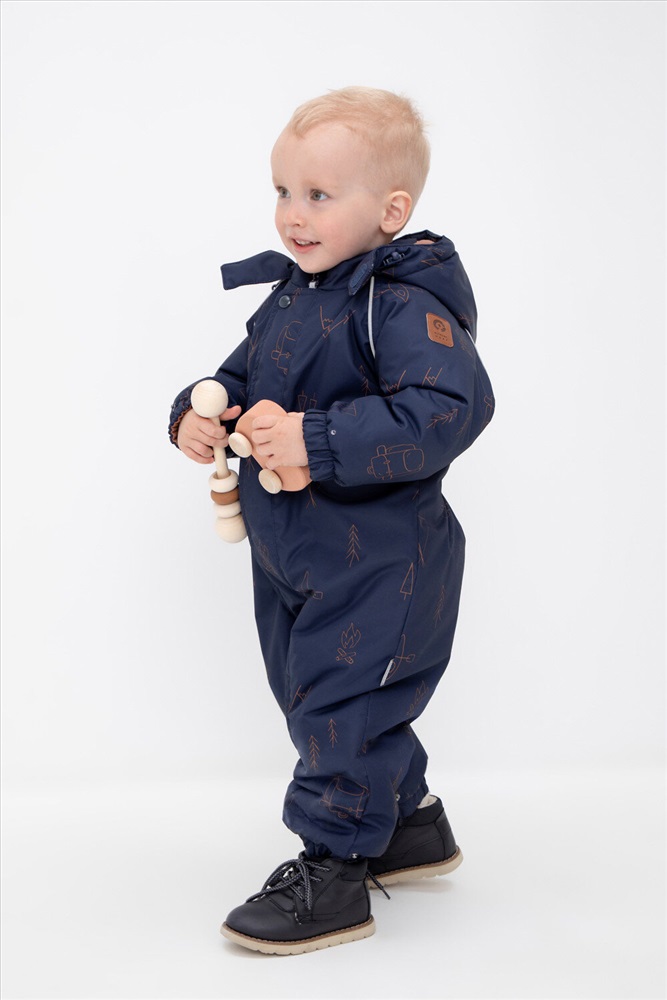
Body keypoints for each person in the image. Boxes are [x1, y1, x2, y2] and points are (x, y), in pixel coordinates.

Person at [169, 86, 494, 955]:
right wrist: (198, 410)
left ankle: (334, 869)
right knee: (306, 692)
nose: (292, 214)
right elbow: (241, 375)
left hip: (381, 561)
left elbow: (447, 409)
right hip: (293, 551)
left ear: (391, 211)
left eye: (318, 194)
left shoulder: (402, 304)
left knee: (339, 705)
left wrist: (314, 439)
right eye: (282, 190)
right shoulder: (296, 295)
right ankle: (408, 824)